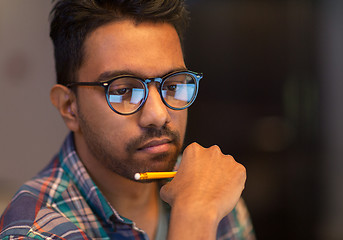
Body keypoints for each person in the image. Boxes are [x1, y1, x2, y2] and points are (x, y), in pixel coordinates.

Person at [0, 0, 255, 239]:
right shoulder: (35, 230)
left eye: (173, 85)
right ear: (69, 107)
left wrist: (201, 203)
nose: (158, 114)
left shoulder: (207, 188)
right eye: (123, 90)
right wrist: (194, 217)